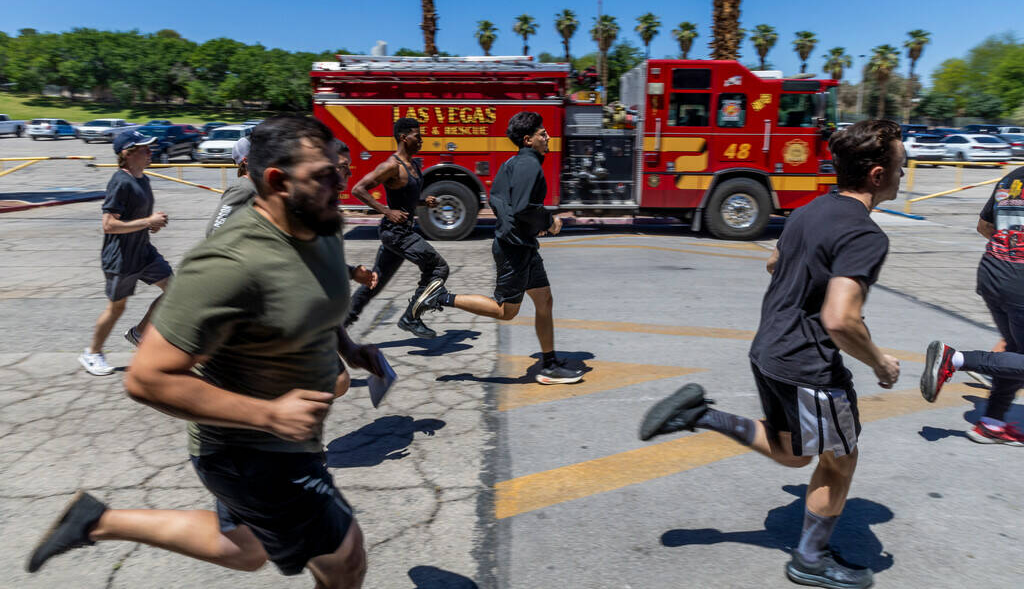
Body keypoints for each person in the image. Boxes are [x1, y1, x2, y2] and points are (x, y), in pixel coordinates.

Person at [29, 116, 385, 588]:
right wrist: (268, 415)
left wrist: (350, 348)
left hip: (290, 438)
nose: (340, 180)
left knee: (242, 549)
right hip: (249, 450)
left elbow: (315, 299)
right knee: (344, 559)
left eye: (338, 168)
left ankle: (97, 521)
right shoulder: (229, 263)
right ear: (277, 182)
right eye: (324, 174)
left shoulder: (319, 225)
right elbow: (147, 378)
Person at [638, 120, 904, 589]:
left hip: (769, 349)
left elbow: (773, 262)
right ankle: (809, 558)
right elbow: (841, 319)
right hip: (808, 364)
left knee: (794, 453)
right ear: (878, 175)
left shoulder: (809, 210)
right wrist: (880, 362)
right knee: (840, 458)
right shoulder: (865, 234)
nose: (906, 172)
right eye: (903, 164)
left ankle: (702, 415)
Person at [409, 111, 584, 385]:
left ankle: (549, 364)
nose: (548, 137)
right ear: (528, 139)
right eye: (542, 133)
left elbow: (498, 200)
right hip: (515, 248)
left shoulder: (513, 163)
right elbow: (525, 207)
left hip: (521, 243)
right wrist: (549, 222)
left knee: (544, 299)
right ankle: (440, 297)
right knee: (506, 311)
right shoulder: (528, 165)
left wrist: (521, 225)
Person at [920, 165, 1024, 446]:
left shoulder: (1012, 177)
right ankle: (955, 359)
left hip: (993, 271)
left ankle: (991, 423)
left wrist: (1009, 252)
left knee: (1016, 354)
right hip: (1019, 279)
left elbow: (984, 226)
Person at [207, 137, 377, 288]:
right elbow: (215, 231)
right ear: (247, 161)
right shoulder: (244, 188)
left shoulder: (270, 191)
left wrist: (350, 272)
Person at [79, 129, 173, 376]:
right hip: (121, 258)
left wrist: (152, 224)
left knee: (176, 290)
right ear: (128, 154)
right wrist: (147, 221)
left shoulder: (143, 179)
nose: (150, 152)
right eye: (144, 148)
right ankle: (92, 353)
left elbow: (138, 218)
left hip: (144, 252)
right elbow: (109, 224)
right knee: (116, 308)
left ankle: (140, 333)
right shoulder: (120, 181)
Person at [345, 118, 444, 338]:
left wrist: (422, 202)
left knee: (375, 282)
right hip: (395, 232)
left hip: (402, 231)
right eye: (417, 136)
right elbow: (358, 189)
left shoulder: (414, 165)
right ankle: (412, 317)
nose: (421, 140)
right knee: (438, 268)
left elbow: (405, 198)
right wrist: (387, 211)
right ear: (403, 137)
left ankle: (341, 326)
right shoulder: (391, 166)